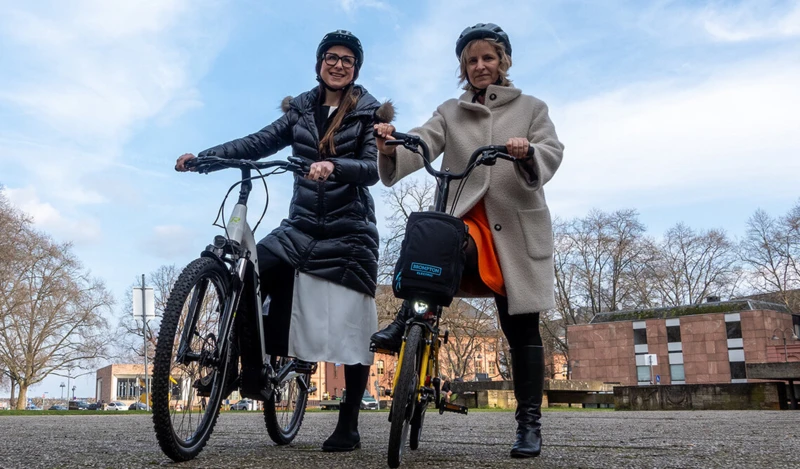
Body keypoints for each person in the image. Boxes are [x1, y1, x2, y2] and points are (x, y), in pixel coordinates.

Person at [176, 29, 393, 452]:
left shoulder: (370, 113)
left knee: (352, 330)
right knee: (250, 268)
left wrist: (335, 165)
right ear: (319, 63)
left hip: (349, 233)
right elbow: (258, 142)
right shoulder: (300, 111)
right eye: (331, 57)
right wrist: (204, 159)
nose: (338, 64)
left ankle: (348, 424)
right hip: (300, 228)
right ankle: (239, 367)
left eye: (348, 59)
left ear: (356, 69)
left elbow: (372, 168)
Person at [372, 23, 564, 459]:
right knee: (435, 242)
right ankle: (410, 319)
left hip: (515, 228)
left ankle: (529, 425)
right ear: (464, 67)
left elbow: (550, 151)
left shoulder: (532, 108)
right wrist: (392, 146)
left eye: (488, 58)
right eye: (472, 60)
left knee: (523, 331)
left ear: (503, 63)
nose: (480, 66)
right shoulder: (451, 111)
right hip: (465, 222)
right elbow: (424, 139)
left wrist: (526, 151)